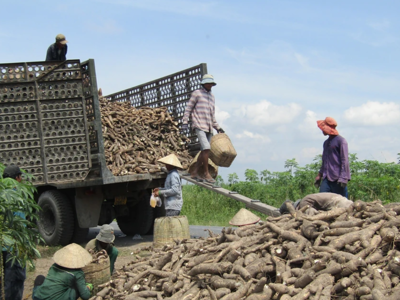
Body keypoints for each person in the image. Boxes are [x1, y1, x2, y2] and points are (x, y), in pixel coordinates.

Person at [182, 74, 224, 184]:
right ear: (204, 83)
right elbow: (188, 108)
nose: (210, 85)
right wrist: (185, 122)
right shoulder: (197, 93)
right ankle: (206, 173)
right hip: (199, 124)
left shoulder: (212, 96)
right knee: (206, 148)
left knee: (204, 150)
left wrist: (218, 127)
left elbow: (212, 115)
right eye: (208, 83)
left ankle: (195, 171)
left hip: (209, 126)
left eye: (211, 83)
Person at [1, 165, 26, 300]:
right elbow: (20, 223)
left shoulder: (1, 193)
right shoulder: (17, 194)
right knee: (15, 281)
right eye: (20, 176)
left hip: (3, 243)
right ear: (17, 178)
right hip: (14, 245)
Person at [314, 117, 350, 197]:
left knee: (342, 203)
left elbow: (345, 160)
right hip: (326, 177)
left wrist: (344, 177)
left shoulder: (341, 141)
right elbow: (325, 161)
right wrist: (319, 175)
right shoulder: (326, 143)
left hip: (338, 178)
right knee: (321, 200)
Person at [280, 192, 353, 216]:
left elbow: (312, 213)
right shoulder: (307, 199)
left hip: (338, 204)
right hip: (341, 200)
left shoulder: (304, 203)